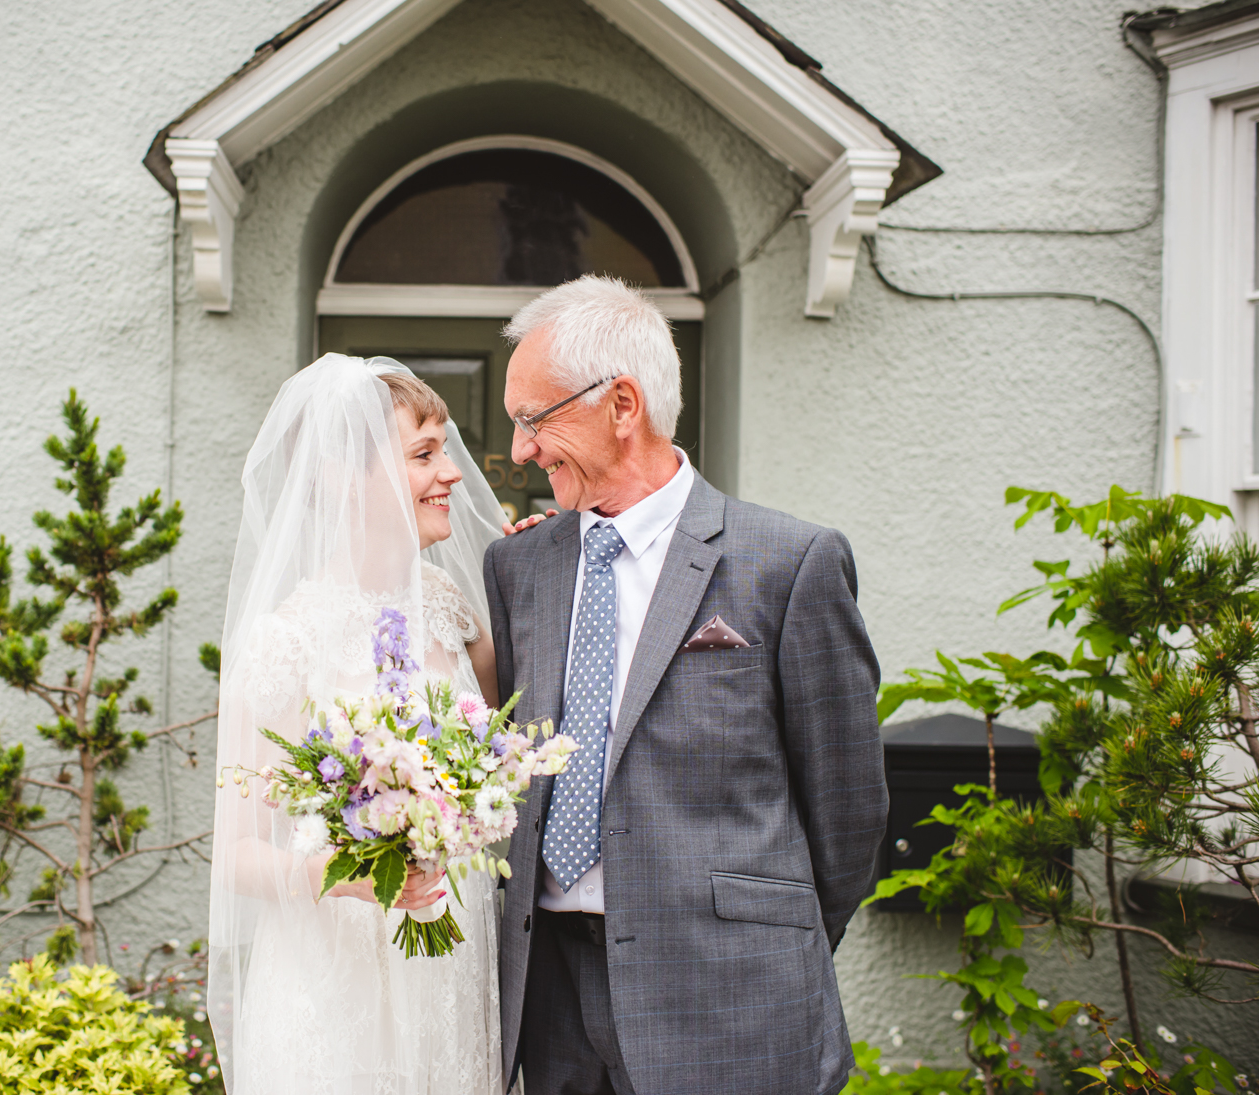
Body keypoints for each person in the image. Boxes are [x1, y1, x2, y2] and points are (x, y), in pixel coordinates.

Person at [487, 276, 887, 1095]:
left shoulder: (790, 562)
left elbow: (848, 807)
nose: (520, 449)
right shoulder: (517, 566)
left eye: (533, 419)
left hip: (731, 998)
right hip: (551, 998)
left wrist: (769, 942)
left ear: (621, 405)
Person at [207, 354, 507, 1095]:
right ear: (347, 475)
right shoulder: (287, 641)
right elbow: (236, 853)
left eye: (446, 449)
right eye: (423, 453)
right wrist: (345, 877)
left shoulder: (455, 613)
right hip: (332, 982)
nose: (453, 473)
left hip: (448, 966)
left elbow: (501, 753)